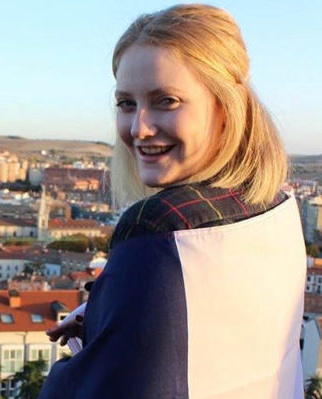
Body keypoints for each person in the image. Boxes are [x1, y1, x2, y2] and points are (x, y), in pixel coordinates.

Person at [38, 4, 305, 398]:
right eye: (126, 103)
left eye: (166, 101)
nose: (139, 128)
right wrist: (115, 314)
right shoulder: (274, 208)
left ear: (225, 108)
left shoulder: (158, 229)